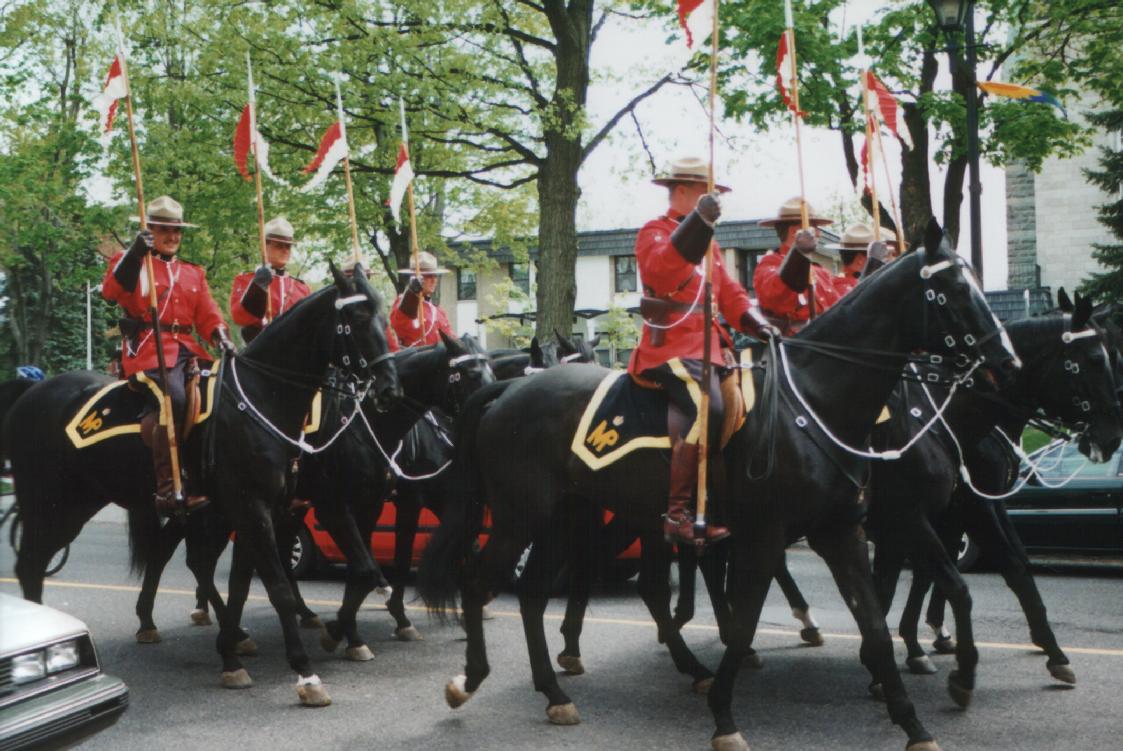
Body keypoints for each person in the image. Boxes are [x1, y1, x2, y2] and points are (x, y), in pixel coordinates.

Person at [631, 156, 777, 546]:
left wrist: (755, 321)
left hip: (711, 347)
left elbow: (729, 291)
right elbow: (661, 272)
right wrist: (698, 222)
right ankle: (677, 513)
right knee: (705, 406)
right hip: (672, 346)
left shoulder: (709, 245)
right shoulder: (654, 232)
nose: (711, 199)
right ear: (680, 191)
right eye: (702, 193)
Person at [102, 195, 234, 515]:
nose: (173, 237)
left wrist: (220, 334)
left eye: (177, 230)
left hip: (189, 350)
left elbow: (207, 313)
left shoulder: (193, 273)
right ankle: (168, 486)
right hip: (149, 349)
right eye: (165, 230)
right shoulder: (132, 260)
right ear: (151, 230)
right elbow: (110, 293)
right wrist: (135, 252)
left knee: (222, 394)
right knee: (171, 397)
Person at [752, 197, 840, 335]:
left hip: (828, 340)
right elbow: (776, 297)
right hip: (794, 345)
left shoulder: (821, 272)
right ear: (795, 232)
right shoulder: (769, 265)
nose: (819, 233)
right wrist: (798, 255)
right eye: (814, 227)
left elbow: (841, 309)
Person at [229, 216, 311, 343]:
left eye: (288, 246)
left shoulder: (301, 288)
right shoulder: (246, 280)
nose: (285, 250)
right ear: (264, 246)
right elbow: (239, 317)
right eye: (279, 245)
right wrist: (257, 286)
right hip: (257, 349)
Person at [389, 251, 453, 348]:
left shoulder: (439, 312)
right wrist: (411, 292)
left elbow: (451, 338)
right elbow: (399, 323)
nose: (434, 280)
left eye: (435, 276)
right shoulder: (405, 303)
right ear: (416, 278)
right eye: (428, 276)